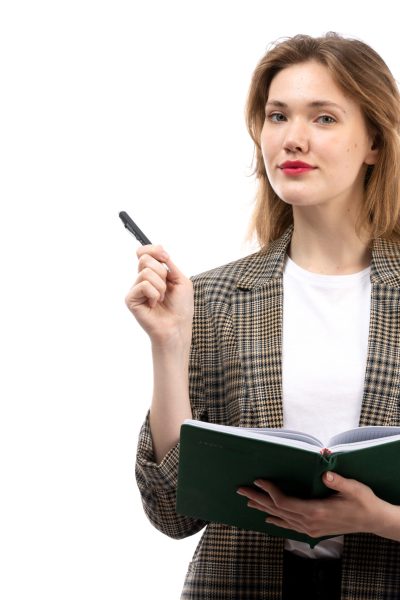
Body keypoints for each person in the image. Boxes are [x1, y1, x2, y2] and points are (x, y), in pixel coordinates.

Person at [125, 32, 400, 599]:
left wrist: (378, 519)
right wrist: (170, 344)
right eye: (278, 116)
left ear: (374, 140)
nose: (293, 138)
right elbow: (171, 512)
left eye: (324, 118)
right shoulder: (215, 297)